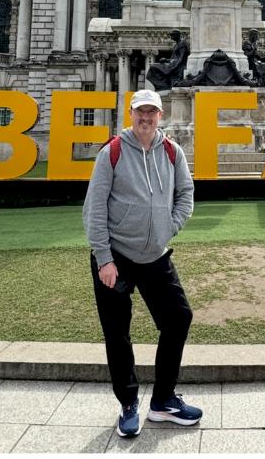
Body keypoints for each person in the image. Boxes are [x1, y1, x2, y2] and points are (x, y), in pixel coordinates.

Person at [82, 89, 202, 438]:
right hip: (115, 258)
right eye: (140, 112)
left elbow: (186, 194)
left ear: (160, 116)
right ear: (130, 115)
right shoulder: (113, 152)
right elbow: (95, 208)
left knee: (179, 318)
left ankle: (163, 400)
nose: (145, 118)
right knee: (117, 332)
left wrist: (170, 225)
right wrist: (104, 258)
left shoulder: (172, 151)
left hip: (156, 254)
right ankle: (128, 404)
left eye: (151, 112)